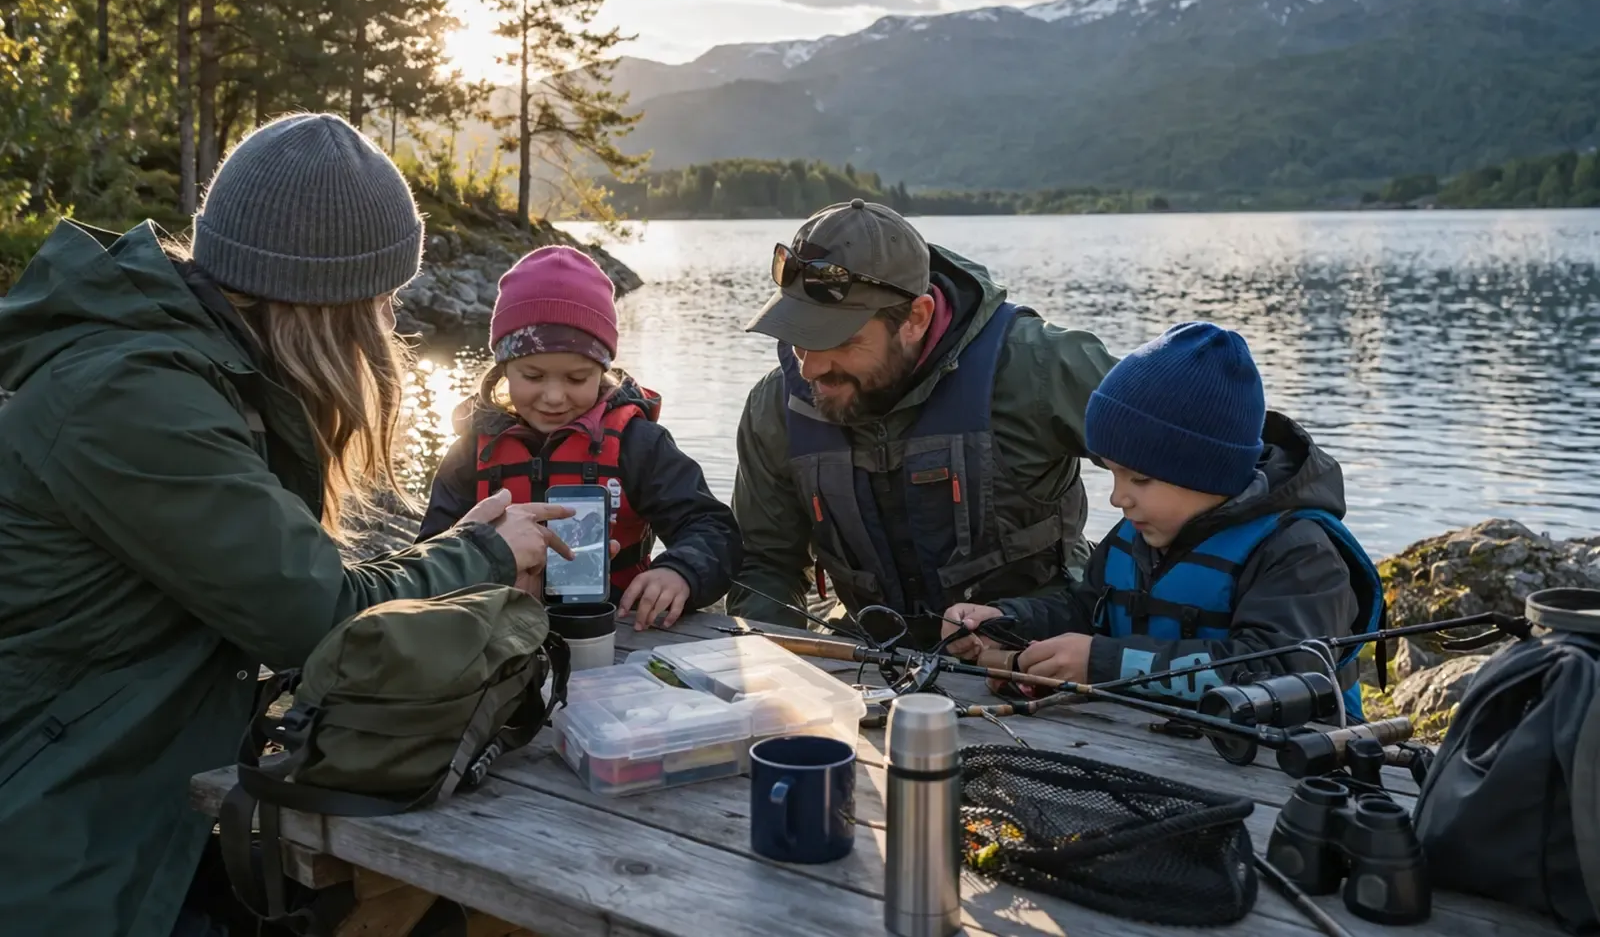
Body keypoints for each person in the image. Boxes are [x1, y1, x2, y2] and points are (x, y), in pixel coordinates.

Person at [0, 113, 580, 937]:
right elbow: (313, 616)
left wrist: (454, 554)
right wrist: (481, 553)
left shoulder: (187, 371)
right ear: (326, 304)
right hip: (68, 843)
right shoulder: (133, 401)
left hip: (139, 789)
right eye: (379, 301)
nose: (385, 326)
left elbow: (278, 582)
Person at [728, 198, 1119, 649]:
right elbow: (765, 565)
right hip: (870, 653)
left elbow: (1188, 470)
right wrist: (778, 674)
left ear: (916, 318)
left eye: (837, 341)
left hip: (1038, 653)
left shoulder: (1041, 367)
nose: (811, 368)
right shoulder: (773, 408)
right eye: (797, 338)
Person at [945, 322, 1385, 716]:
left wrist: (1102, 663)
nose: (1119, 497)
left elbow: (1274, 670)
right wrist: (1007, 622)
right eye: (1112, 472)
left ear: (1209, 473)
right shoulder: (1136, 533)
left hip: (1299, 769)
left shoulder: (1300, 552)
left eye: (1140, 479)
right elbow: (1086, 609)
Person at [416, 245, 741, 632]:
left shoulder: (639, 442)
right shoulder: (473, 448)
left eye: (577, 378)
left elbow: (712, 528)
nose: (554, 397)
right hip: (497, 632)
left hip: (617, 630)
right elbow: (432, 550)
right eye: (533, 376)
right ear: (504, 368)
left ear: (603, 370)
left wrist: (681, 572)